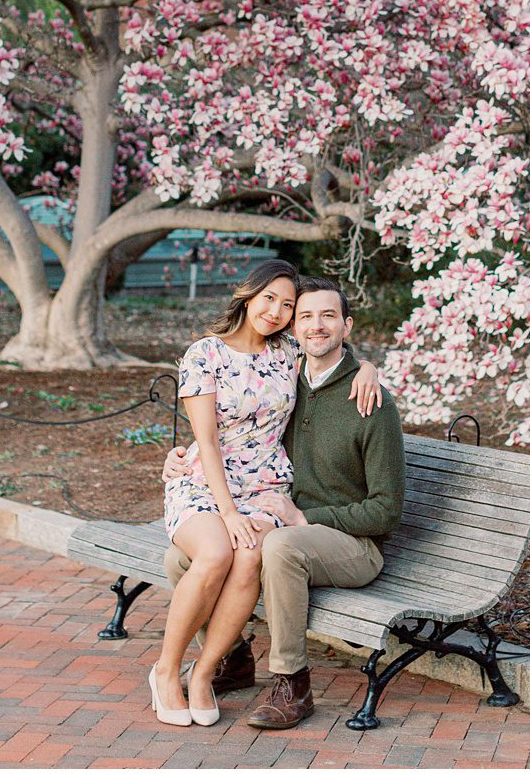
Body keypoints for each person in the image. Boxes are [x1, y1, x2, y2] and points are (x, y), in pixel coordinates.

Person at [160, 274, 406, 730]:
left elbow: (387, 510)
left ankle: (292, 682)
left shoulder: (370, 401)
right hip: (273, 509)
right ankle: (228, 660)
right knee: (185, 559)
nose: (314, 325)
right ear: (293, 328)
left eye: (328, 316)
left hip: (351, 542)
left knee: (275, 548)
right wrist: (180, 459)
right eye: (305, 315)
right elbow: (232, 430)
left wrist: (304, 515)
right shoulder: (290, 375)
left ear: (347, 326)